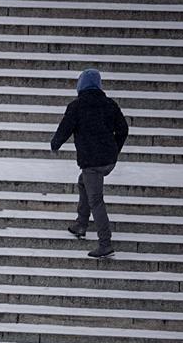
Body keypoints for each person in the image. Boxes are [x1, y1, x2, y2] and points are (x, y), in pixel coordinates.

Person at [50, 69, 129, 258]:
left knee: (96, 200)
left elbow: (65, 128)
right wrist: (114, 149)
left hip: (92, 162)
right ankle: (81, 224)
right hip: (108, 161)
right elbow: (123, 129)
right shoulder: (110, 104)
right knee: (83, 182)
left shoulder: (77, 106)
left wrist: (55, 144)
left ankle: (105, 244)